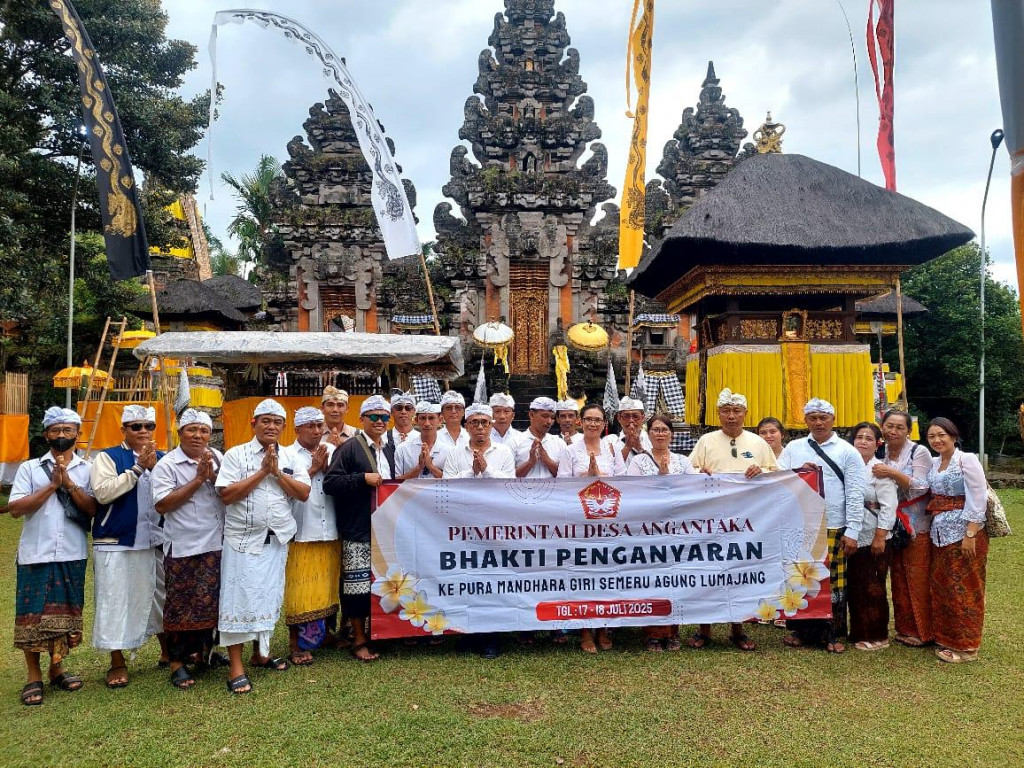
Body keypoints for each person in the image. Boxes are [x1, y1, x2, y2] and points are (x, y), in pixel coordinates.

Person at [216, 399, 310, 694]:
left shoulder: (292, 458)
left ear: (284, 427)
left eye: (277, 422)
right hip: (242, 541)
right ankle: (236, 667)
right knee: (238, 600)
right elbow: (226, 495)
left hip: (276, 539)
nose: (271, 426)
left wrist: (278, 472)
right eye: (265, 420)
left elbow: (304, 493)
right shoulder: (236, 454)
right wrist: (262, 472)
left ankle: (261, 654)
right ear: (253, 423)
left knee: (268, 597)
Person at [8, 407, 96, 705]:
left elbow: (93, 510)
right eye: (56, 430)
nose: (61, 435)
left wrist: (69, 485)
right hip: (36, 552)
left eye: (68, 430)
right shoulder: (29, 468)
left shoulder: (88, 468)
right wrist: (53, 486)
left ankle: (57, 667)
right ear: (46, 434)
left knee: (67, 614)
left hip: (72, 551)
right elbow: (17, 508)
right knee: (31, 617)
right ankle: (33, 675)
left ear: (77, 434)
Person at [686, 389, 776, 652]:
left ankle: (739, 628)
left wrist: (762, 471)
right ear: (718, 414)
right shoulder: (706, 441)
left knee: (740, 574)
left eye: (737, 411)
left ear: (746, 414)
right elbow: (688, 470)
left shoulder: (759, 444)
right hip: (711, 521)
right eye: (726, 411)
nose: (731, 416)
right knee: (708, 573)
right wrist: (699, 473)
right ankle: (704, 630)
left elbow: (776, 474)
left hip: (747, 523)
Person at [779, 398, 866, 653]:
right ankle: (802, 631)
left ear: (833, 419)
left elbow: (856, 492)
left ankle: (833, 633)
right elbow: (778, 478)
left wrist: (852, 531)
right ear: (805, 420)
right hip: (801, 525)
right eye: (813, 417)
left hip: (834, 524)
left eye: (823, 417)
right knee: (801, 577)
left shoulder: (847, 451)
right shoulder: (794, 448)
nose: (818, 422)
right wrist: (798, 471)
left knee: (834, 581)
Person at [89, 404, 167, 688]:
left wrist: (156, 468)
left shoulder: (163, 458)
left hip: (154, 540)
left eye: (149, 426)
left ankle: (166, 650)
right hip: (116, 541)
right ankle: (117, 660)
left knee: (160, 598)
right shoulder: (108, 457)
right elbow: (103, 493)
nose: (143, 431)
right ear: (123, 430)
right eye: (136, 426)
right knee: (116, 601)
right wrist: (137, 469)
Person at [151, 409, 226, 689]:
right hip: (183, 545)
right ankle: (177, 663)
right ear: (180, 433)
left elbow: (229, 493)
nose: (198, 436)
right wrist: (197, 480)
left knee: (213, 602)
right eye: (192, 430)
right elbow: (162, 505)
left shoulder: (218, 458)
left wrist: (212, 477)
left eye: (204, 431)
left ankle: (206, 654)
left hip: (216, 543)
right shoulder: (168, 465)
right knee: (181, 605)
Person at [323, 395, 396, 662]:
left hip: (385, 528)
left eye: (384, 417)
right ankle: (358, 638)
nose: (379, 421)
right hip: (357, 526)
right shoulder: (350, 447)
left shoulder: (389, 448)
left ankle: (378, 631)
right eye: (374, 416)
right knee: (356, 585)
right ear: (362, 419)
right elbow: (330, 483)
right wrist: (361, 479)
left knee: (382, 582)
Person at [441, 403, 515, 658]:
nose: (480, 427)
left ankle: (491, 637)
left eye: (484, 422)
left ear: (492, 425)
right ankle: (468, 633)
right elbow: (447, 485)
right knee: (467, 579)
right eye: (475, 423)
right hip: (463, 523)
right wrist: (472, 472)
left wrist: (486, 470)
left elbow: (509, 485)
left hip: (494, 524)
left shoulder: (503, 451)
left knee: (492, 579)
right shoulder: (455, 453)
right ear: (467, 426)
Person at [626, 413, 699, 652]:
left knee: (674, 579)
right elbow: (632, 494)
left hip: (676, 529)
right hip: (648, 530)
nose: (660, 433)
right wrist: (660, 481)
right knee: (652, 580)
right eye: (655, 429)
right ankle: (652, 634)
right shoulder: (638, 462)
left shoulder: (682, 461)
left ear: (672, 434)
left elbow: (693, 492)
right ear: (648, 434)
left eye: (664, 430)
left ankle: (672, 632)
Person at [558, 403, 625, 653]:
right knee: (583, 578)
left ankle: (603, 629)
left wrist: (600, 478)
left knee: (607, 577)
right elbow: (561, 484)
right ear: (580, 422)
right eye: (588, 419)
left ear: (604, 423)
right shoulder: (571, 450)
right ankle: (585, 632)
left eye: (597, 420)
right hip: (580, 522)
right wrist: (586, 476)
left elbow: (626, 480)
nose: (593, 424)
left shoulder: (612, 448)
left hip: (609, 521)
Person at [924, 417, 989, 663]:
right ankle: (948, 638)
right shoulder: (933, 463)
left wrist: (971, 533)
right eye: (931, 436)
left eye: (942, 434)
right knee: (945, 587)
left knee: (967, 588)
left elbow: (978, 496)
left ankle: (967, 646)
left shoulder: (967, 460)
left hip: (965, 533)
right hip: (939, 533)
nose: (937, 440)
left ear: (953, 435)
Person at [281, 407, 340, 667]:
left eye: (319, 426)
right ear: (296, 430)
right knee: (299, 589)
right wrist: (315, 469)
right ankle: (297, 643)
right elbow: (287, 491)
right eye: (310, 426)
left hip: (331, 528)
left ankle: (324, 636)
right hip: (302, 529)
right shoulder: (286, 455)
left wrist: (329, 468)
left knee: (327, 585)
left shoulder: (332, 450)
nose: (317, 431)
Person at [874, 409, 933, 647]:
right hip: (890, 521)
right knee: (897, 575)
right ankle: (905, 627)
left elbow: (920, 486)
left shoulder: (919, 452)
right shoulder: (880, 450)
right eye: (890, 425)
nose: (894, 431)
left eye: (900, 427)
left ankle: (924, 631)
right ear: (882, 426)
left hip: (916, 523)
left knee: (917, 575)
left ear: (909, 430)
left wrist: (892, 472)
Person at [847, 422, 897, 651]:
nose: (863, 441)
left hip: (874, 534)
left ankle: (877, 635)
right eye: (859, 437)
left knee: (873, 586)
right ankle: (858, 632)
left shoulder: (880, 470)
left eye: (869, 438)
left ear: (877, 443)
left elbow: (889, 506)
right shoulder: (847, 465)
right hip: (851, 533)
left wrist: (880, 536)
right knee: (856, 585)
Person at [395, 402, 450, 479]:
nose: (427, 423)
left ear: (440, 420)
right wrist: (419, 467)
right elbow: (395, 482)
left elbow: (453, 482)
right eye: (423, 418)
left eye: (431, 418)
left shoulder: (449, 450)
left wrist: (431, 467)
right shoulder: (403, 449)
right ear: (416, 420)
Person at [514, 397, 566, 479]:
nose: (549, 421)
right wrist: (530, 463)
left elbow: (566, 476)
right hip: (523, 490)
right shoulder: (515, 441)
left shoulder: (559, 443)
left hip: (552, 491)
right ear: (531, 415)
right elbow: (507, 477)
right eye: (545, 416)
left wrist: (547, 460)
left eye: (552, 418)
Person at [604, 397, 652, 462]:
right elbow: (608, 468)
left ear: (643, 417)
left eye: (635, 416)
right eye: (626, 416)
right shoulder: (610, 440)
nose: (631, 420)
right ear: (619, 418)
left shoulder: (652, 439)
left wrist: (639, 448)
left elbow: (656, 467)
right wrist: (627, 447)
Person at [384, 391, 418, 466]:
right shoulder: (383, 438)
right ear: (391, 411)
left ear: (414, 411)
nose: (403, 411)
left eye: (408, 408)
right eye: (398, 408)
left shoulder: (421, 438)